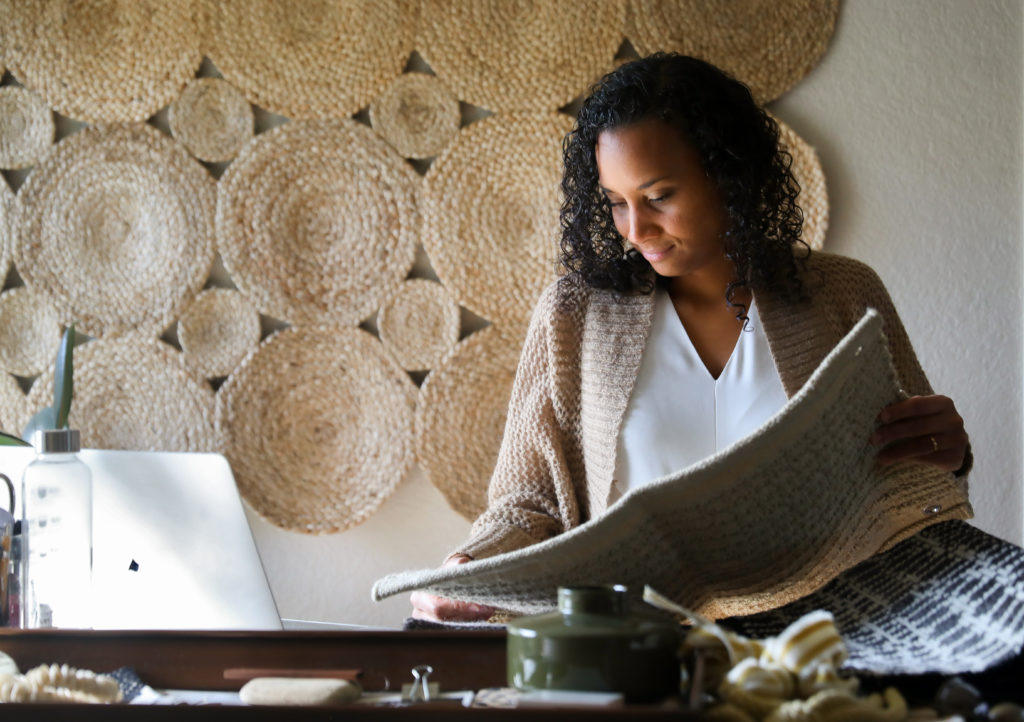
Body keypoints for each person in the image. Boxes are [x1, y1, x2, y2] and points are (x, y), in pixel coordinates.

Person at [411, 52, 971, 622]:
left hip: (825, 643)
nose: (637, 228)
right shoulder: (575, 315)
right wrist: (470, 565)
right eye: (616, 202)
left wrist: (947, 454)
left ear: (729, 175)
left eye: (658, 196)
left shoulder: (843, 295)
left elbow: (912, 480)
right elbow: (528, 503)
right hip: (635, 652)